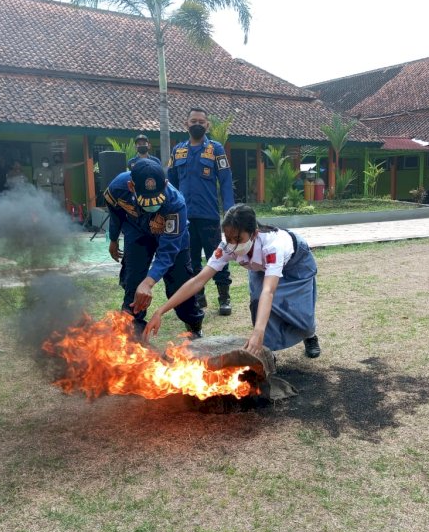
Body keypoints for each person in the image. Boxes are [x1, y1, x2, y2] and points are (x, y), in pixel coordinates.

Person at [144, 203, 321, 359]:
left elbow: (270, 291)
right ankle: (266, 348)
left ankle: (309, 334)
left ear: (254, 234)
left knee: (301, 313)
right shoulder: (227, 248)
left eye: (238, 239)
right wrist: (161, 310)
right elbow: (199, 281)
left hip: (296, 263)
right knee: (258, 300)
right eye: (228, 238)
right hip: (260, 267)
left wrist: (257, 332)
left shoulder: (272, 247)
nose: (233, 244)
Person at [104, 158, 204, 338]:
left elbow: (168, 251)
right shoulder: (117, 188)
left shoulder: (176, 204)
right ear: (131, 186)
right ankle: (133, 333)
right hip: (137, 233)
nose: (151, 205)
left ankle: (194, 325)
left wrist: (149, 282)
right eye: (145, 200)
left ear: (165, 184)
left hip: (173, 239)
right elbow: (115, 211)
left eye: (155, 199)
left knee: (180, 284)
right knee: (134, 282)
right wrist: (113, 238)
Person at [168, 107, 235, 316]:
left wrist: (230, 212)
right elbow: (170, 183)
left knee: (218, 257)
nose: (197, 124)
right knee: (191, 260)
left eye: (201, 121)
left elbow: (225, 182)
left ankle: (224, 298)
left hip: (209, 216)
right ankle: (199, 296)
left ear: (207, 125)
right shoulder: (178, 151)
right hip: (185, 217)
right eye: (193, 121)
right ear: (186, 124)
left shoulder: (216, 149)